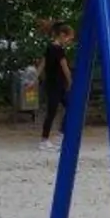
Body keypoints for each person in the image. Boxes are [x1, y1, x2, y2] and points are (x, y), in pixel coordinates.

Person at [39, 22, 75, 151]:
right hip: (57, 85)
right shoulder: (59, 50)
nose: (69, 42)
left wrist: (35, 78)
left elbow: (42, 65)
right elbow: (65, 68)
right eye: (69, 38)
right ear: (62, 35)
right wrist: (70, 82)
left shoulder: (50, 47)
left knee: (64, 108)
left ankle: (59, 135)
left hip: (52, 84)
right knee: (53, 111)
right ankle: (46, 139)